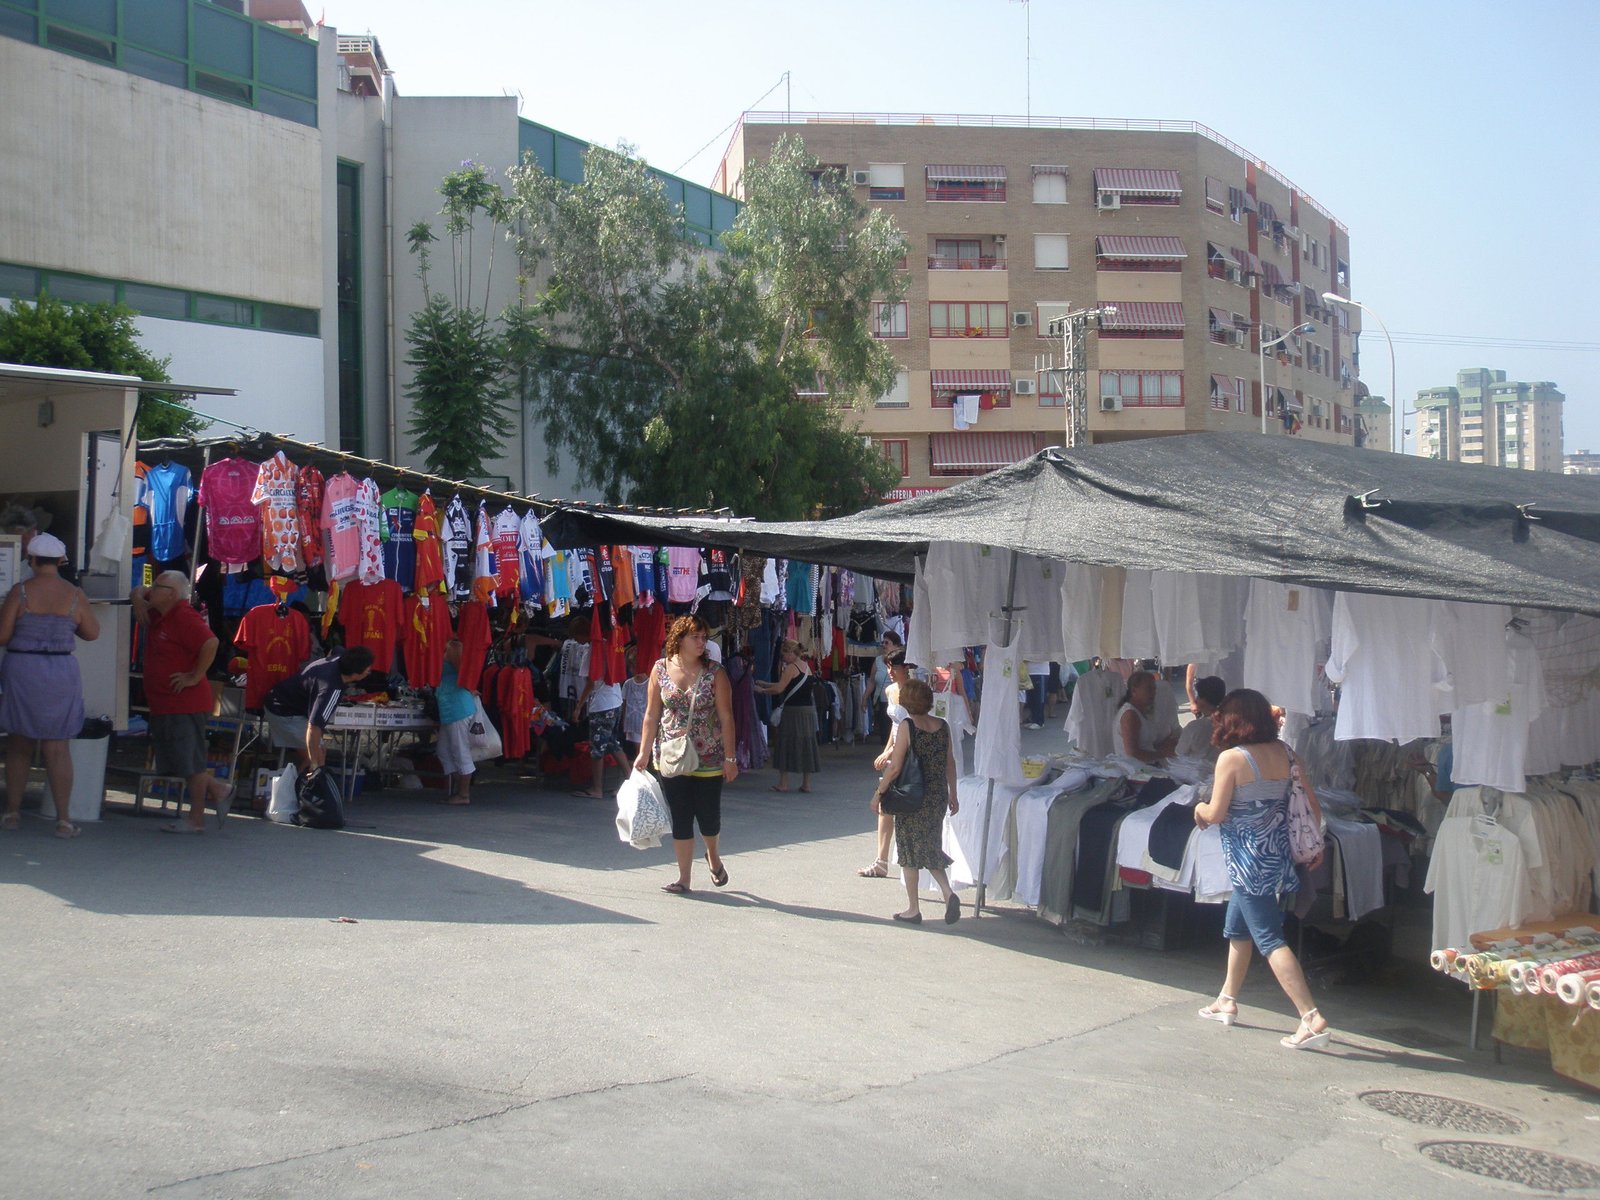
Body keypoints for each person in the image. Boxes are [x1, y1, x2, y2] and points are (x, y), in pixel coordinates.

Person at [1192, 689, 1331, 1051]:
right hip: (1277, 856)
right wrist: (1313, 843)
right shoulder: (1287, 753)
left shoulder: (1232, 760)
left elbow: (1216, 813)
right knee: (1238, 927)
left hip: (1248, 861)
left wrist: (1199, 810)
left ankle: (1310, 1016)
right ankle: (1227, 998)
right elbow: (1311, 805)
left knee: (1269, 938)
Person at [0, 533, 99, 837]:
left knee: (19, 744)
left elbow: (2, 636)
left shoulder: (21, 592)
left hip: (23, 667)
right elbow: (92, 632)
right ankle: (64, 820)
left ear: (30, 560)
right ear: (60, 561)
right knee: (58, 747)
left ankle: (12, 814)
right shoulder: (74, 594)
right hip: (60, 670)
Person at [634, 615, 738, 894]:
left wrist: (730, 759)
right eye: (696, 637)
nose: (702, 643)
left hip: (710, 755)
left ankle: (713, 856)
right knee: (680, 816)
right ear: (679, 639)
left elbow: (727, 717)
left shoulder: (716, 672)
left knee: (708, 816)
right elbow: (652, 714)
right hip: (670, 754)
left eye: (704, 638)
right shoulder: (660, 669)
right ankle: (684, 878)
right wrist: (643, 752)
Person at [131, 571, 233, 833]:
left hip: (184, 702)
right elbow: (138, 589)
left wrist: (195, 676)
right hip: (164, 702)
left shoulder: (183, 616)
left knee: (191, 763)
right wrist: (137, 599)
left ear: (172, 594)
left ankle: (196, 819)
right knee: (176, 762)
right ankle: (218, 789)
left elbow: (210, 642)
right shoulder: (159, 611)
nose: (151, 590)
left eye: (158, 587)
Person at [870, 679, 961, 925]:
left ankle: (913, 908)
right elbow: (950, 762)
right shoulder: (942, 725)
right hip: (937, 794)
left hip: (913, 794)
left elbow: (895, 766)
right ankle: (947, 892)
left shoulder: (908, 726)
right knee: (929, 844)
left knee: (909, 849)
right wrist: (953, 793)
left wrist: (879, 793)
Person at [263, 645, 376, 772]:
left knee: (319, 751)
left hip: (288, 702)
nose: (369, 671)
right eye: (368, 670)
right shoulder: (330, 690)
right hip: (282, 710)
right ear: (355, 674)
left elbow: (335, 648)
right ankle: (302, 788)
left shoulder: (340, 657)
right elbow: (314, 727)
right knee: (317, 758)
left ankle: (303, 782)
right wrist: (314, 762)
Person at [859, 651, 912, 878]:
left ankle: (904, 860)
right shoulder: (890, 690)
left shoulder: (913, 691)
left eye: (894, 667)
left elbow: (910, 726)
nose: (890, 672)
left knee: (897, 805)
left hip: (910, 751)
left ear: (905, 668)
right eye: (888, 667)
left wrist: (891, 750)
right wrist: (886, 749)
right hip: (895, 750)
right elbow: (895, 724)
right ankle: (881, 860)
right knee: (885, 807)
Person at [755, 638, 819, 793]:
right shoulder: (806, 667)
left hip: (793, 712)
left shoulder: (790, 668)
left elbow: (780, 689)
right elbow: (787, 685)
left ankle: (783, 783)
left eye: (784, 654)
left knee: (785, 743)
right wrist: (765, 683)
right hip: (808, 712)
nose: (783, 658)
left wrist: (762, 690)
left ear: (791, 653)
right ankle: (806, 783)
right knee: (806, 745)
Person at [573, 645, 625, 800]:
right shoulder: (610, 646)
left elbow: (591, 682)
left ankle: (597, 788)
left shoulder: (592, 651)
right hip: (615, 700)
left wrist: (578, 706)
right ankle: (630, 779)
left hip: (602, 704)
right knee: (612, 743)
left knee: (597, 747)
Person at [434, 638, 477, 805]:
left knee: (460, 751)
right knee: (443, 751)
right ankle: (460, 788)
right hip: (449, 707)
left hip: (457, 707)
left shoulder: (453, 647)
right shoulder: (445, 648)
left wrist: (470, 689)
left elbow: (464, 674)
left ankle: (464, 793)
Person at [1115, 669, 1178, 764]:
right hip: (1135, 771)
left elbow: (1145, 745)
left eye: (1154, 689)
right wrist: (1163, 753)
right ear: (1134, 691)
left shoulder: (1140, 711)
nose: (1153, 693)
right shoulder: (1130, 714)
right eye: (1149, 689)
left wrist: (1166, 743)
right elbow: (1132, 752)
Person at [1174, 675, 1226, 762]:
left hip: (1196, 772)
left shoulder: (1194, 727)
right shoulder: (1230, 723)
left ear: (1203, 701)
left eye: (1198, 696)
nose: (1196, 699)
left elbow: (1179, 753)